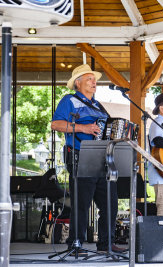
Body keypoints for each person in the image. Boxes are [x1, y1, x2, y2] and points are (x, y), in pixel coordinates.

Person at [51, 64, 125, 254]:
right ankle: (76, 244)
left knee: (110, 202)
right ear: (78, 82)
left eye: (95, 79)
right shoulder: (70, 100)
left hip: (102, 157)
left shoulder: (98, 105)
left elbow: (107, 127)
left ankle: (105, 244)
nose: (95, 82)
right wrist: (84, 128)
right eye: (89, 79)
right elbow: (55, 124)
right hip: (79, 154)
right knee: (82, 203)